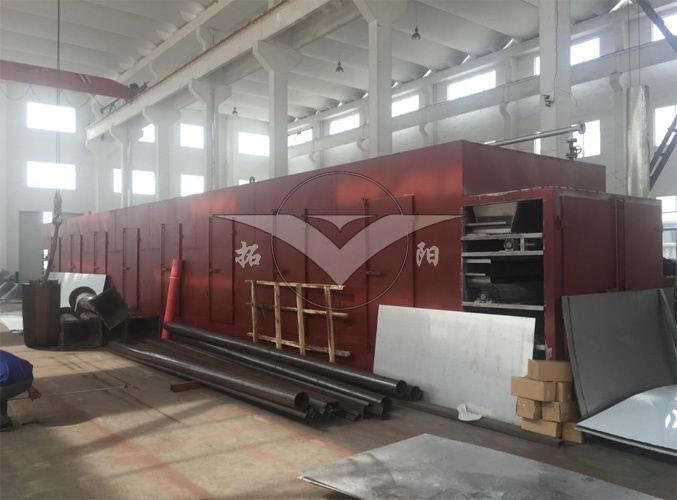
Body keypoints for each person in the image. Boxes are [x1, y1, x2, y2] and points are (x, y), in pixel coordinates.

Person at [0, 350, 41, 431]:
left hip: (13, 379)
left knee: (2, 388)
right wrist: (29, 386)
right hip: (27, 376)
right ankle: (2, 417)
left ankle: (2, 420)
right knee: (2, 389)